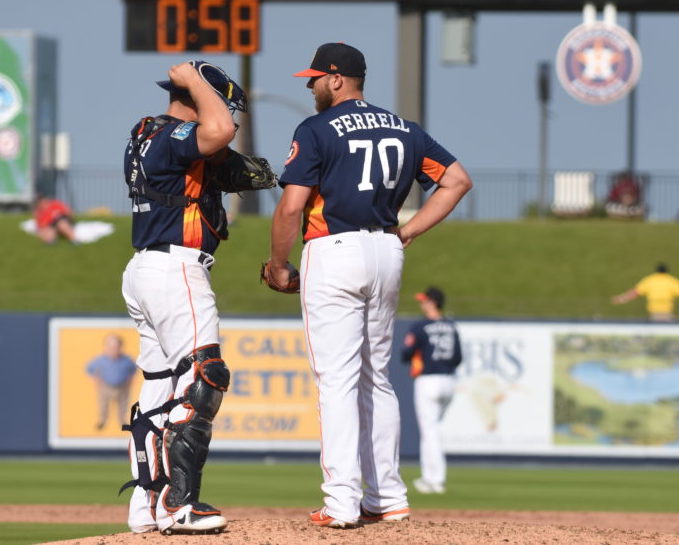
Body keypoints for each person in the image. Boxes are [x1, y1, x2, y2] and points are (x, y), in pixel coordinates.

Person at [265, 42, 472, 529]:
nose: (309, 85)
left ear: (337, 79)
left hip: (333, 249)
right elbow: (458, 180)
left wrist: (278, 263)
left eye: (315, 77)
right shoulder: (404, 128)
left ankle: (340, 502)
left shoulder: (316, 127)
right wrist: (409, 231)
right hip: (385, 248)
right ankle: (388, 497)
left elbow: (292, 206)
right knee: (375, 377)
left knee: (336, 380)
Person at [119, 60, 246, 536]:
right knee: (203, 377)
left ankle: (146, 507)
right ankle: (179, 504)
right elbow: (219, 131)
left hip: (145, 270)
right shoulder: (174, 134)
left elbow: (208, 152)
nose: (229, 113)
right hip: (175, 269)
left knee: (158, 390)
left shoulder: (146, 132)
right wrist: (196, 82)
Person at [401, 287, 462, 495]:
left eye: (424, 300)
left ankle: (434, 479)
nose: (421, 303)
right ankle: (432, 477)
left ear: (432, 302)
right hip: (449, 381)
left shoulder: (420, 326)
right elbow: (458, 358)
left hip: (428, 381)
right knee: (433, 429)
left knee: (430, 431)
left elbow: (406, 353)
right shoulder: (451, 326)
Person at [611, 263, 679, 322]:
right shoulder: (671, 280)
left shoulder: (650, 280)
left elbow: (634, 293)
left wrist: (621, 299)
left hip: (653, 314)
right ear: (666, 272)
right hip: (667, 314)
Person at [86, 333, 138, 431]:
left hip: (122, 387)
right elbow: (90, 369)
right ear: (106, 347)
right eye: (110, 347)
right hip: (106, 386)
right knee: (103, 406)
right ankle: (102, 421)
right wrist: (96, 380)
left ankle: (122, 422)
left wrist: (130, 382)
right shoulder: (100, 360)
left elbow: (133, 370)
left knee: (123, 406)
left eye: (116, 347)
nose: (113, 349)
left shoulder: (126, 359)